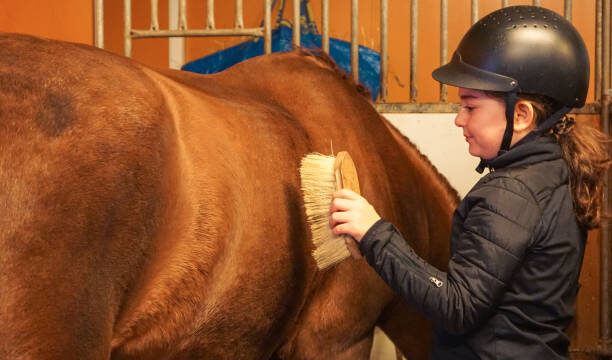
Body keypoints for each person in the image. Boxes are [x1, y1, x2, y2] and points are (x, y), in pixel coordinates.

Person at [329, 5, 609, 360]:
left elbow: (457, 306)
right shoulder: (554, 169)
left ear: (520, 115)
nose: (459, 120)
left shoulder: (511, 193)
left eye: (471, 107)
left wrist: (373, 232)